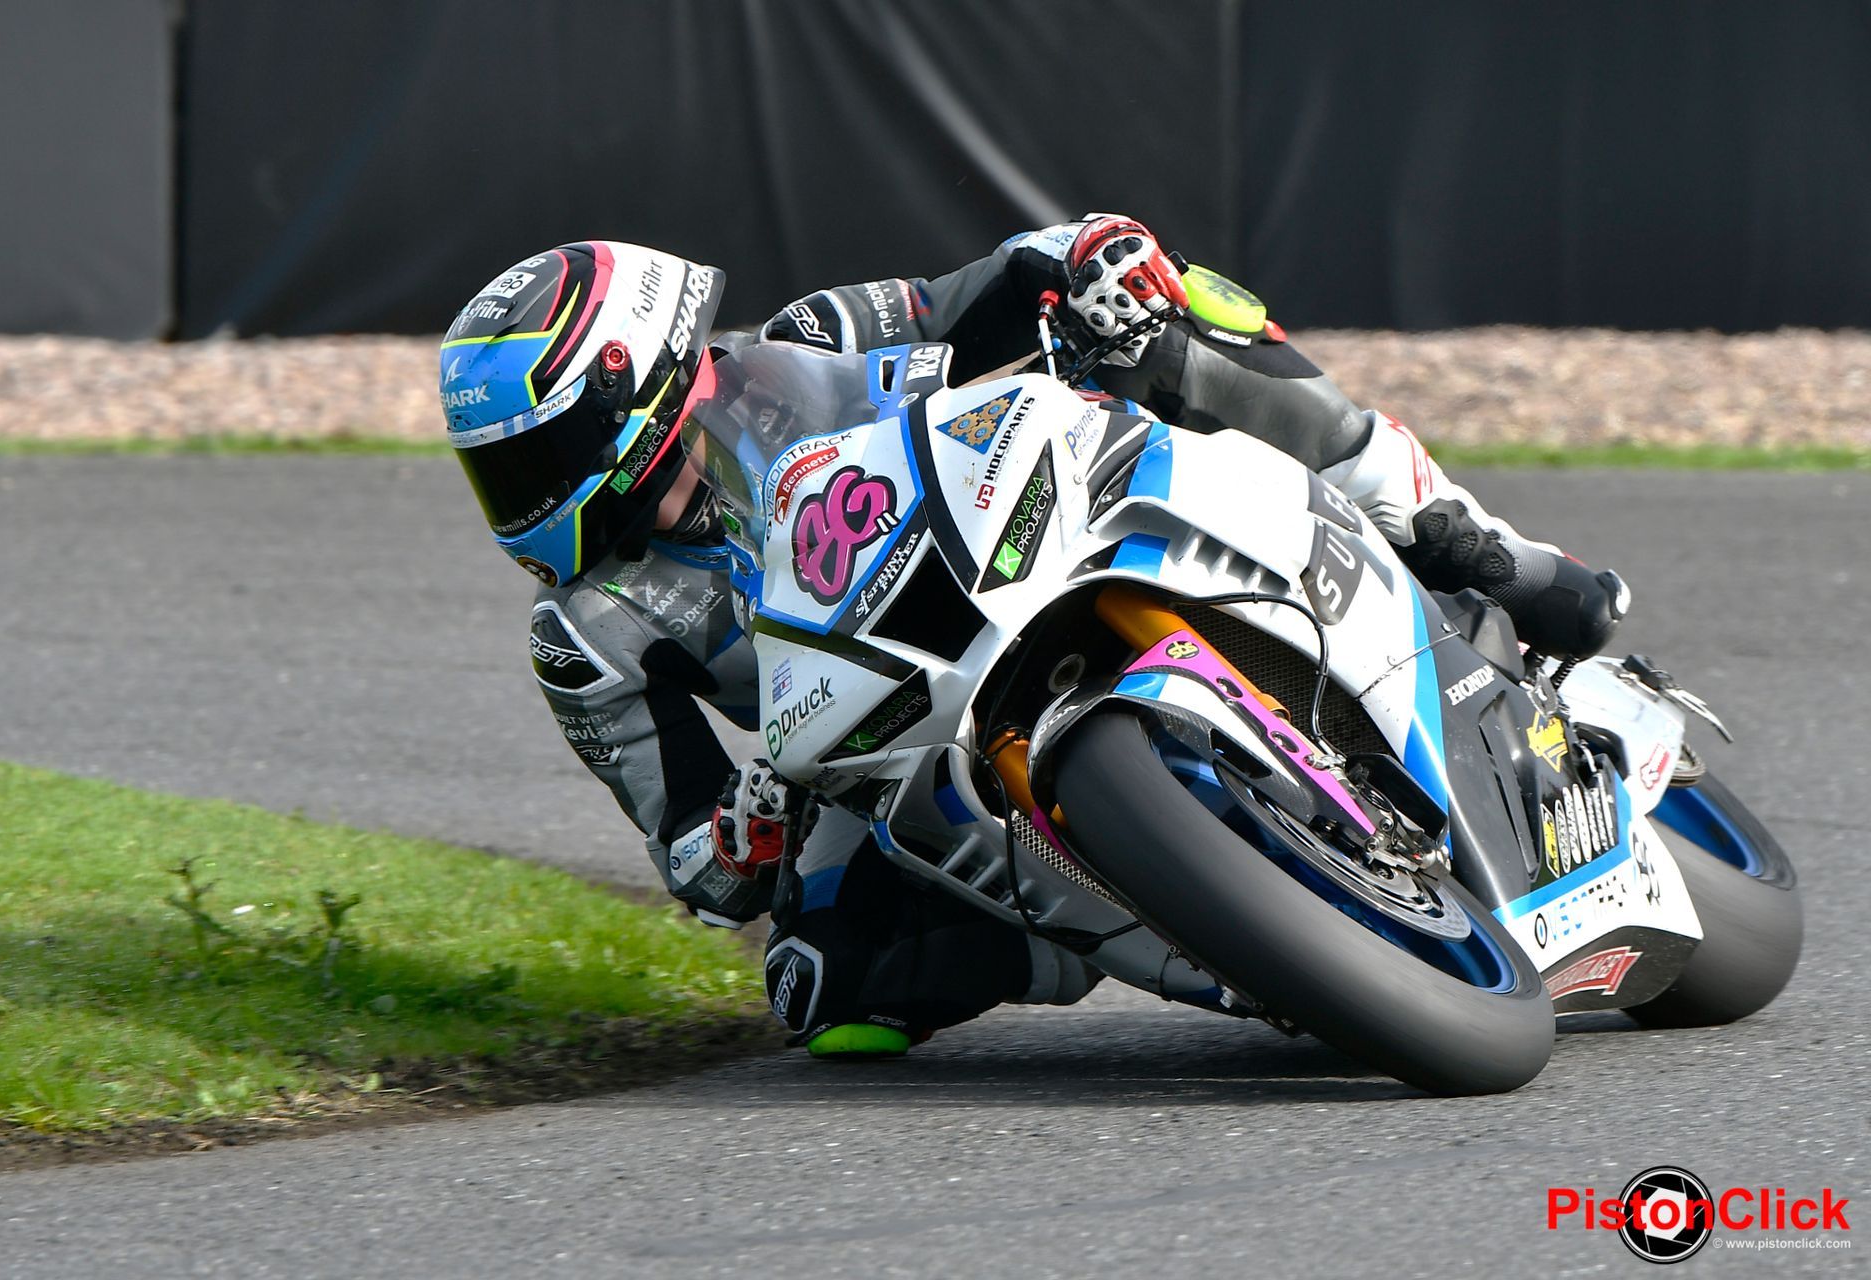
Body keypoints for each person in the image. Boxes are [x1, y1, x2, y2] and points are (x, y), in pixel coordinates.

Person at [438, 218, 1630, 1057]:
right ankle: (1190, 921)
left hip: (1016, 537)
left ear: (623, 391)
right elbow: (691, 858)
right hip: (868, 737)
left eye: (530, 457)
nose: (521, 497)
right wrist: (743, 835)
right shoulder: (587, 637)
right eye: (501, 473)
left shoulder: (813, 336)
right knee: (825, 992)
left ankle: (1486, 551)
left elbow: (1000, 283)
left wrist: (1090, 258)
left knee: (1178, 321)